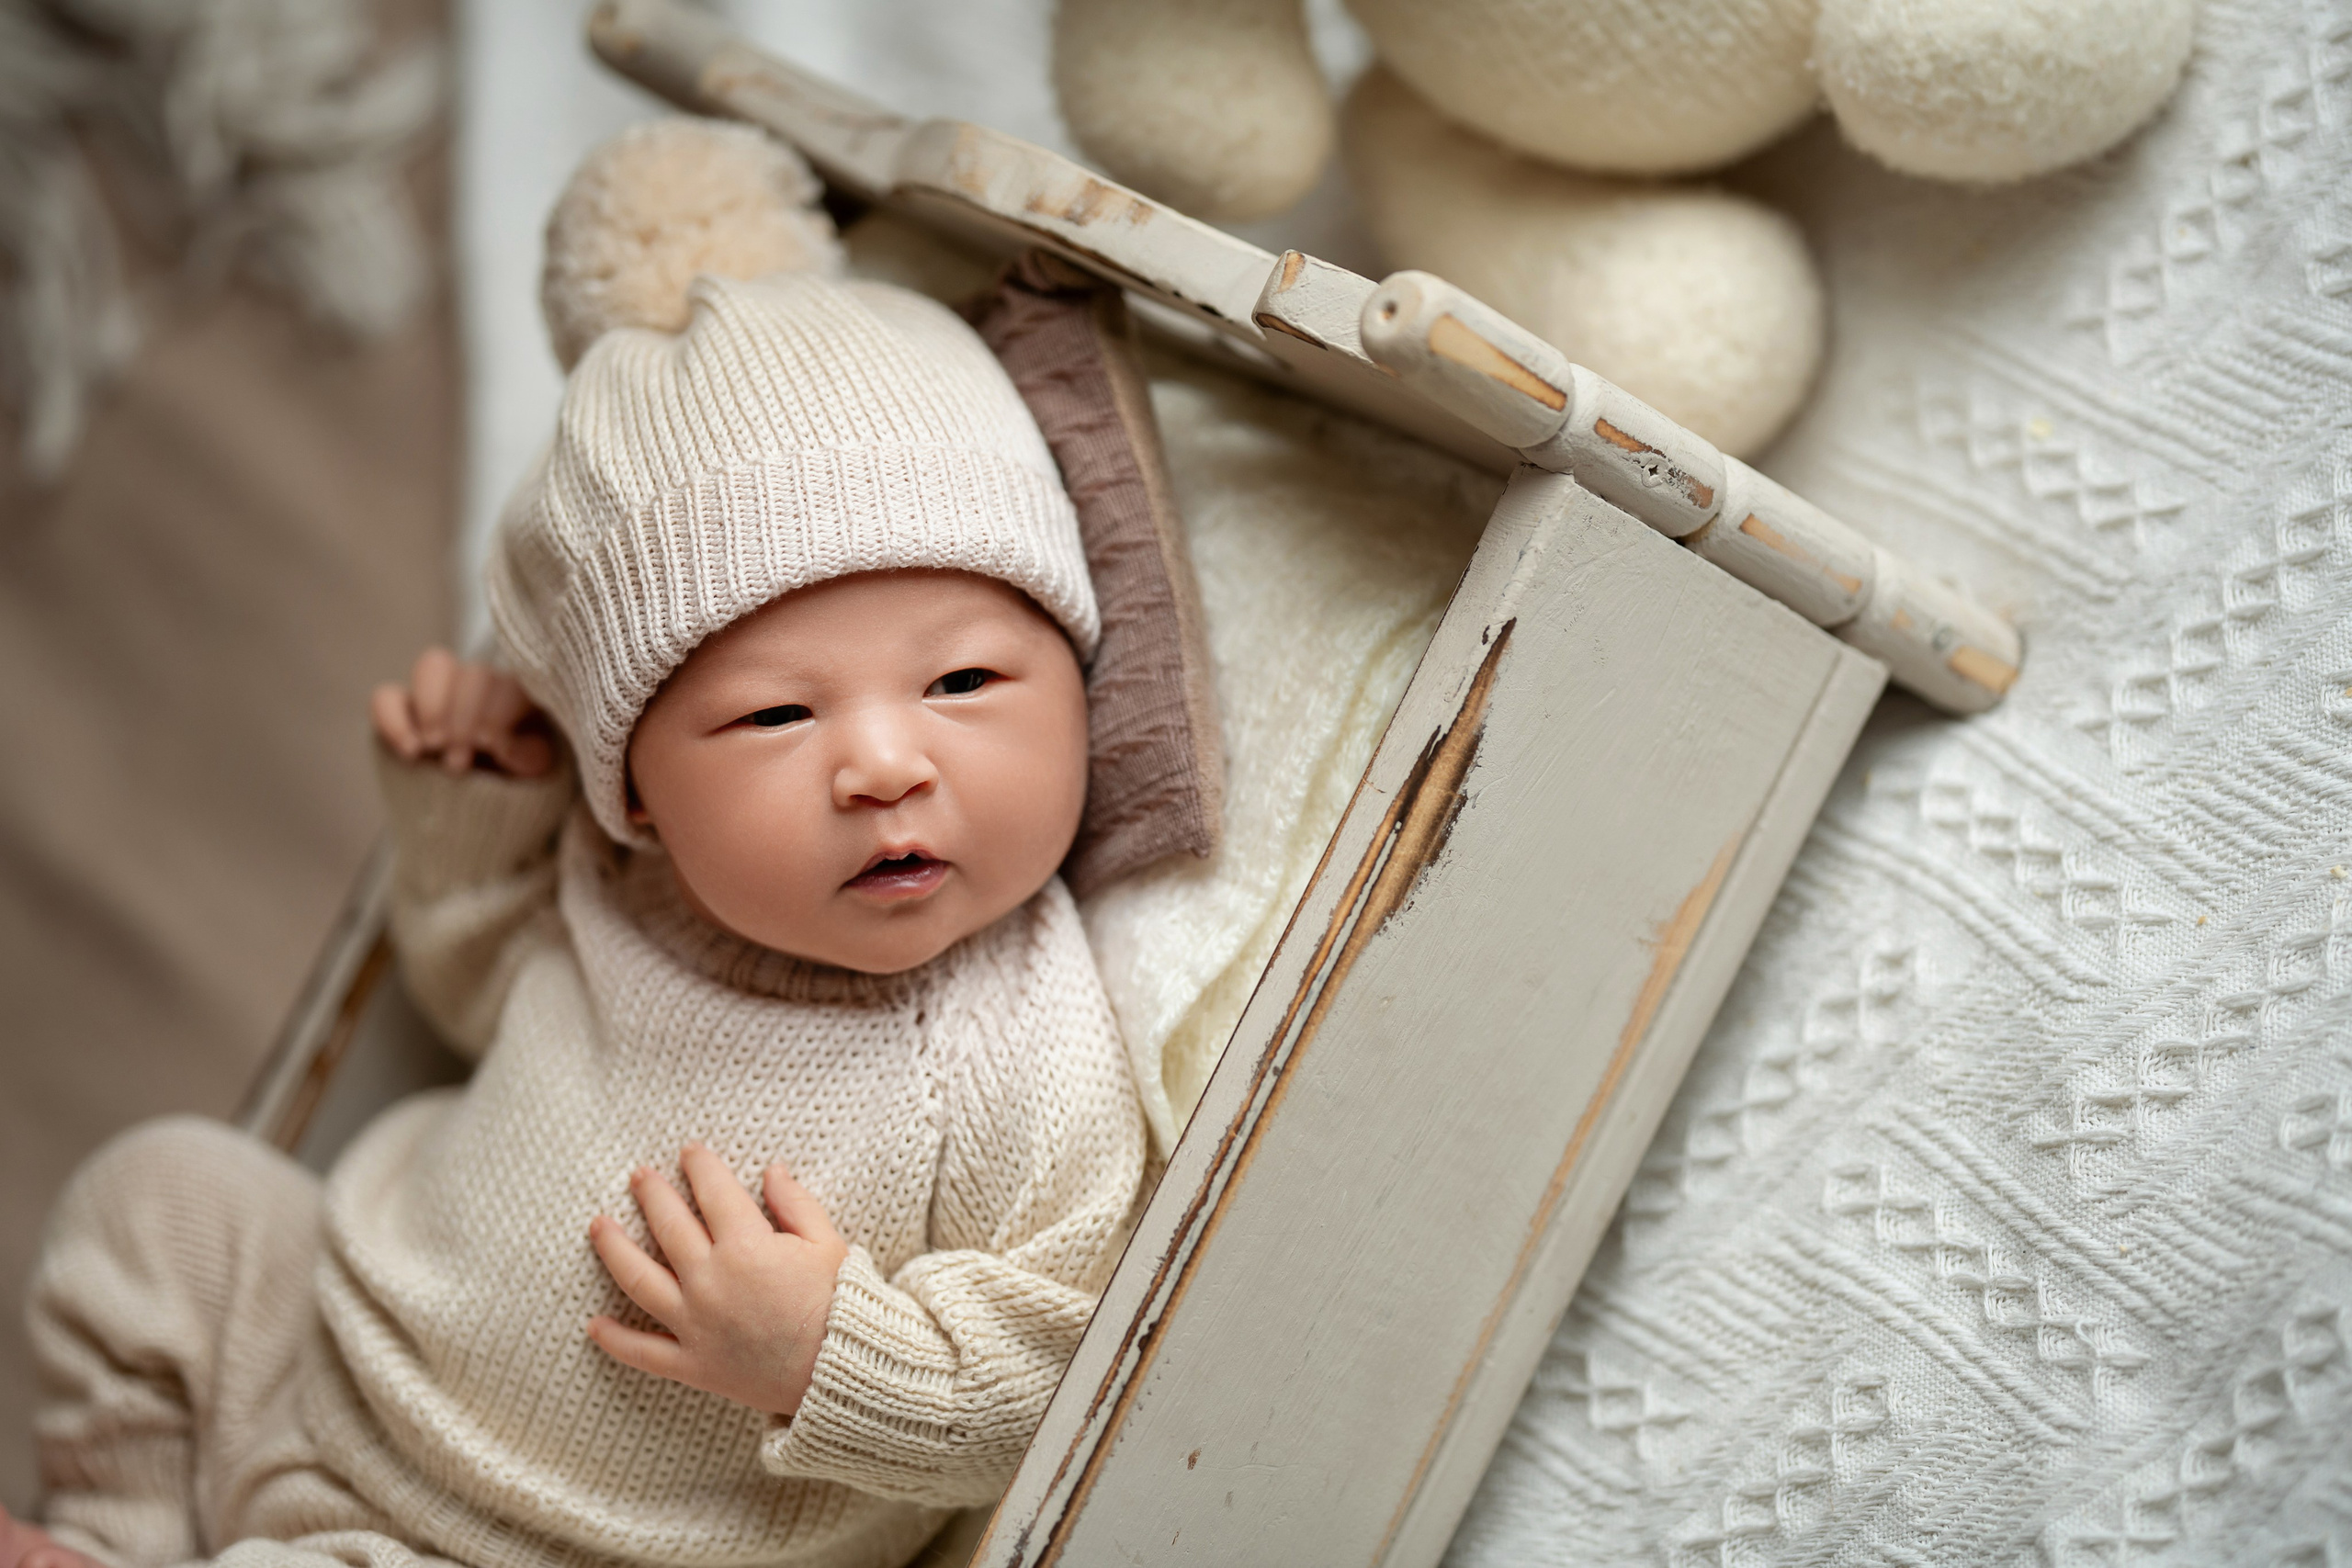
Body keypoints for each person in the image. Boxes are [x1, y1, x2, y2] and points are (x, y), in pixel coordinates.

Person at [5, 118, 1147, 1568]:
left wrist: (826, 1350)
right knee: (159, 1200)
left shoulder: (1019, 1043)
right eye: (775, 716)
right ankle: (120, 1533)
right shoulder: (636, 889)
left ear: (1078, 681)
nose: (880, 761)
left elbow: (1050, 1365)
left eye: (966, 684)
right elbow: (482, 998)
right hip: (334, 1356)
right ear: (642, 794)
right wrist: (473, 815)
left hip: (539, 1547)